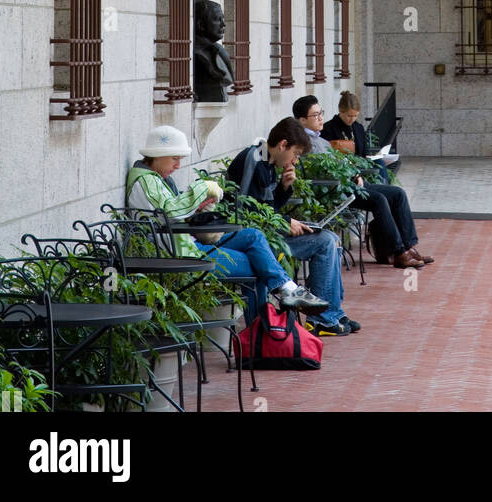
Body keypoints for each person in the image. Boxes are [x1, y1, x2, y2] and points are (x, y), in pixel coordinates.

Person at [125, 125, 329, 322]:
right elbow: (170, 211)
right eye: (175, 159)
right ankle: (264, 330)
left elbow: (173, 212)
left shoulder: (156, 178)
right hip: (180, 253)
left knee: (253, 236)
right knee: (258, 265)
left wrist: (200, 207)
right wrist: (202, 189)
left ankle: (284, 294)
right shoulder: (145, 180)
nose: (178, 165)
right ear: (157, 155)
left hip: (188, 243)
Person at [226, 117, 359, 337]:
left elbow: (267, 207)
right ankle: (323, 319)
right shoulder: (254, 161)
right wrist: (285, 223)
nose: (295, 160)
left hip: (265, 234)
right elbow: (246, 211)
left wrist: (283, 187)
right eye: (295, 153)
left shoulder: (266, 162)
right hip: (253, 240)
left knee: (330, 239)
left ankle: (333, 313)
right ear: (282, 145)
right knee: (325, 242)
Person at [292, 95, 433, 269]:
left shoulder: (321, 139)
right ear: (302, 120)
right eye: (316, 115)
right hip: (335, 190)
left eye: (321, 113)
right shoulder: (303, 143)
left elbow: (342, 163)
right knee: (379, 199)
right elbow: (321, 173)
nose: (321, 118)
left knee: (397, 193)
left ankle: (409, 247)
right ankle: (398, 252)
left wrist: (355, 173)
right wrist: (347, 177)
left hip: (351, 183)